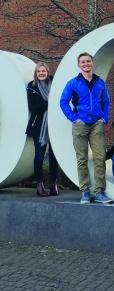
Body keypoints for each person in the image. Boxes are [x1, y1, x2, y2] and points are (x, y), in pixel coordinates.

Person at [60, 52, 112, 204]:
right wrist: (74, 118)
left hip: (97, 123)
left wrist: (105, 117)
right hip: (80, 124)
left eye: (88, 61)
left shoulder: (100, 82)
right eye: (83, 62)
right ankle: (85, 192)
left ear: (92, 63)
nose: (86, 64)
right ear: (79, 65)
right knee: (82, 159)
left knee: (100, 158)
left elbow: (106, 102)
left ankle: (100, 192)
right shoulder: (73, 83)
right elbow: (63, 102)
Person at [26, 62, 59, 197]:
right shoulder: (32, 86)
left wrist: (50, 102)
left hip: (54, 125)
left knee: (54, 156)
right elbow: (33, 108)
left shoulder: (55, 83)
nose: (41, 73)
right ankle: (39, 185)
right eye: (38, 71)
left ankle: (53, 183)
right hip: (38, 126)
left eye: (43, 71)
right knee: (39, 156)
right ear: (36, 73)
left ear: (47, 71)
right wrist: (48, 102)